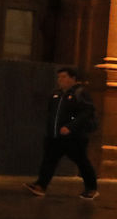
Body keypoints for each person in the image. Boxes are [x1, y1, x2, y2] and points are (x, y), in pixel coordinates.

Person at [25, 66, 99, 199]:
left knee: (82, 162)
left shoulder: (80, 93)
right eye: (59, 77)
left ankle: (91, 188)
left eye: (64, 77)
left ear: (73, 78)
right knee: (49, 160)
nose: (60, 80)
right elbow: (51, 113)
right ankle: (41, 186)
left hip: (74, 137)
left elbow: (87, 112)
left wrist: (70, 126)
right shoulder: (57, 94)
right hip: (55, 136)